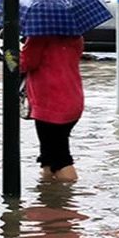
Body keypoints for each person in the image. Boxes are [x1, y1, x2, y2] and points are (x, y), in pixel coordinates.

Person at [20, 35, 84, 182]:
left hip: (49, 104)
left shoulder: (38, 37)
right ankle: (47, 193)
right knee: (49, 155)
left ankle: (66, 197)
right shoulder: (76, 36)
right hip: (72, 99)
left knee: (60, 159)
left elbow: (27, 63)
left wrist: (16, 54)